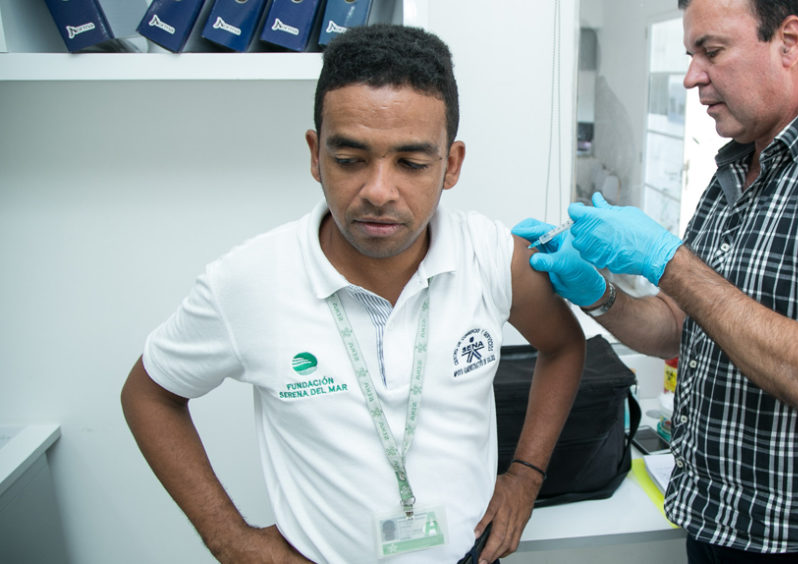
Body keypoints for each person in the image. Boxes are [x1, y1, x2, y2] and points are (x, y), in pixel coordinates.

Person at [121, 24, 585, 564]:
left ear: (451, 165)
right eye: (349, 160)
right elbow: (148, 395)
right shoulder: (247, 282)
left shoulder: (494, 258)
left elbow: (564, 347)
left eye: (411, 163)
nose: (378, 191)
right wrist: (231, 541)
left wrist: (525, 476)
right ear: (316, 155)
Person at [513, 0, 798, 562]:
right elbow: (678, 327)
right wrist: (597, 292)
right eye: (692, 55)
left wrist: (668, 260)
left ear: (789, 42)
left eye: (711, 51)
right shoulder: (735, 170)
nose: (693, 76)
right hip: (716, 519)